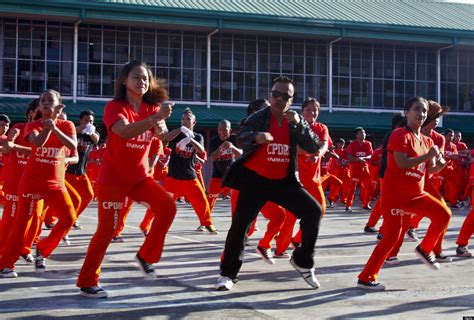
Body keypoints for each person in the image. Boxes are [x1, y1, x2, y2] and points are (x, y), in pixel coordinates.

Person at [76, 61, 176, 298]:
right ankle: (87, 281)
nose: (141, 82)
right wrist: (155, 119)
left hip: (140, 177)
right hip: (113, 178)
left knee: (168, 207)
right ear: (124, 81)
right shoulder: (114, 107)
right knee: (107, 230)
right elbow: (123, 131)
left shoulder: (152, 108)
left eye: (145, 78)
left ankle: (145, 256)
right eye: (136, 77)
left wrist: (173, 128)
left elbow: (161, 135)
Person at [215, 76, 322, 291]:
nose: (280, 99)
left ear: (291, 100)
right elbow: (240, 137)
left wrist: (301, 125)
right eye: (276, 94)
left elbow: (313, 146)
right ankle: (227, 274)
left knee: (314, 210)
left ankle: (302, 261)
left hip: (284, 181)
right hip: (255, 181)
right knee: (239, 227)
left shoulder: (295, 122)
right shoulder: (259, 117)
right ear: (269, 95)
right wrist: (256, 137)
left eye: (286, 96)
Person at [357, 96, 451, 291]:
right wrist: (428, 156)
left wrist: (440, 164)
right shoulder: (399, 135)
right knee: (391, 236)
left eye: (424, 111)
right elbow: (402, 163)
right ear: (407, 112)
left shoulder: (426, 140)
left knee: (444, 214)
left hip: (416, 194)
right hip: (395, 194)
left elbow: (431, 170)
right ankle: (366, 277)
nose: (421, 114)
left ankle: (425, 249)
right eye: (417, 109)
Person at [0, 89, 77, 278]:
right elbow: (38, 144)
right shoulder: (32, 125)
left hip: (55, 183)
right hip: (31, 182)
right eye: (42, 100)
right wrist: (47, 126)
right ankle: (5, 265)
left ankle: (42, 248)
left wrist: (56, 126)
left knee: (69, 217)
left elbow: (72, 146)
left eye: (50, 100)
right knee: (21, 222)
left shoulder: (67, 125)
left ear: (58, 103)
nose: (45, 103)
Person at [162, 108, 217, 233]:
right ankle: (149, 225)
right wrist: (180, 130)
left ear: (194, 122)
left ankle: (207, 223)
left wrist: (189, 139)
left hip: (190, 177)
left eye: (188, 119)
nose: (185, 121)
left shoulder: (198, 136)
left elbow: (201, 150)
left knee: (202, 201)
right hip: (173, 177)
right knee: (163, 203)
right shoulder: (177, 134)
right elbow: (167, 138)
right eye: (183, 119)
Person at [65, 110, 100, 229]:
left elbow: (96, 140)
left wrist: (90, 131)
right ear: (80, 120)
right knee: (70, 199)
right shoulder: (73, 131)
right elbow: (70, 132)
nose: (88, 123)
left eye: (91, 121)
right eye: (86, 120)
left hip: (81, 172)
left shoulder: (91, 135)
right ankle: (55, 219)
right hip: (68, 171)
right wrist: (81, 128)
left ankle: (73, 218)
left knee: (89, 195)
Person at [207, 119, 242, 212]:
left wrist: (233, 147)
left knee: (239, 200)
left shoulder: (235, 139)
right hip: (218, 174)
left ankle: (241, 223)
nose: (222, 132)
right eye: (220, 130)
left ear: (230, 130)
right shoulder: (214, 141)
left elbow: (241, 154)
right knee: (210, 199)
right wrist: (221, 147)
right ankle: (205, 223)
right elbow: (213, 157)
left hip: (233, 175)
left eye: (225, 130)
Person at [346, 127, 373, 211]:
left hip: (365, 168)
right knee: (352, 188)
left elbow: (370, 155)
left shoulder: (368, 143)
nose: (363, 134)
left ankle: (366, 204)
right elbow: (349, 156)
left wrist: (364, 158)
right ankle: (348, 205)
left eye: (364, 133)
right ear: (356, 135)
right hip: (355, 168)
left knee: (369, 186)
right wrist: (357, 159)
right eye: (361, 133)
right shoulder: (352, 144)